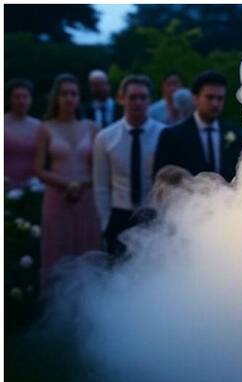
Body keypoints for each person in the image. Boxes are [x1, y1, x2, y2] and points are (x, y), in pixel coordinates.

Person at [33, 73, 101, 287]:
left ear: (79, 97)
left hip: (86, 197)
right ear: (56, 98)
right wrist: (65, 184)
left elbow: (100, 169)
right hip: (56, 197)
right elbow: (38, 168)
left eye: (73, 94)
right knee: (58, 248)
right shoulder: (45, 128)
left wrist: (81, 185)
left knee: (87, 249)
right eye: (64, 94)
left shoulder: (92, 127)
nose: (69, 98)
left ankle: (88, 303)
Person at [93, 75, 166, 256]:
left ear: (150, 100)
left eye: (143, 97)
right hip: (120, 213)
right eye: (133, 97)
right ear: (121, 98)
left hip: (153, 214)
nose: (138, 102)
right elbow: (101, 186)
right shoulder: (106, 137)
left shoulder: (164, 134)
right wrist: (105, 223)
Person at [153, 71, 242, 182]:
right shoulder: (173, 135)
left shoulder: (236, 134)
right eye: (209, 97)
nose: (215, 104)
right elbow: (162, 179)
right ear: (195, 98)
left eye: (220, 98)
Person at [5, 78, 41, 188]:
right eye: (17, 97)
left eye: (25, 97)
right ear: (10, 99)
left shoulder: (38, 126)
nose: (21, 101)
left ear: (31, 99)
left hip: (33, 185)